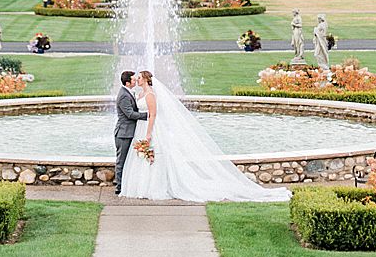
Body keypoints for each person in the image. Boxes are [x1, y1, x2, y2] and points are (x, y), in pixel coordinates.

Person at [119, 70, 289, 202]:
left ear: (146, 80)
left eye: (139, 77)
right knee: (143, 157)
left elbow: (153, 115)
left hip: (150, 129)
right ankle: (141, 187)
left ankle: (154, 187)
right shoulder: (139, 94)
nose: (137, 80)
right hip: (140, 129)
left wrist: (148, 134)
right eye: (136, 78)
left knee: (155, 155)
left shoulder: (150, 95)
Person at [113, 70, 148, 195]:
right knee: (121, 161)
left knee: (128, 161)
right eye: (133, 79)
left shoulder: (129, 92)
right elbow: (130, 114)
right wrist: (148, 115)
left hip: (129, 132)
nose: (136, 81)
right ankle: (119, 187)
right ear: (128, 83)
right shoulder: (123, 95)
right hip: (123, 133)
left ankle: (126, 185)